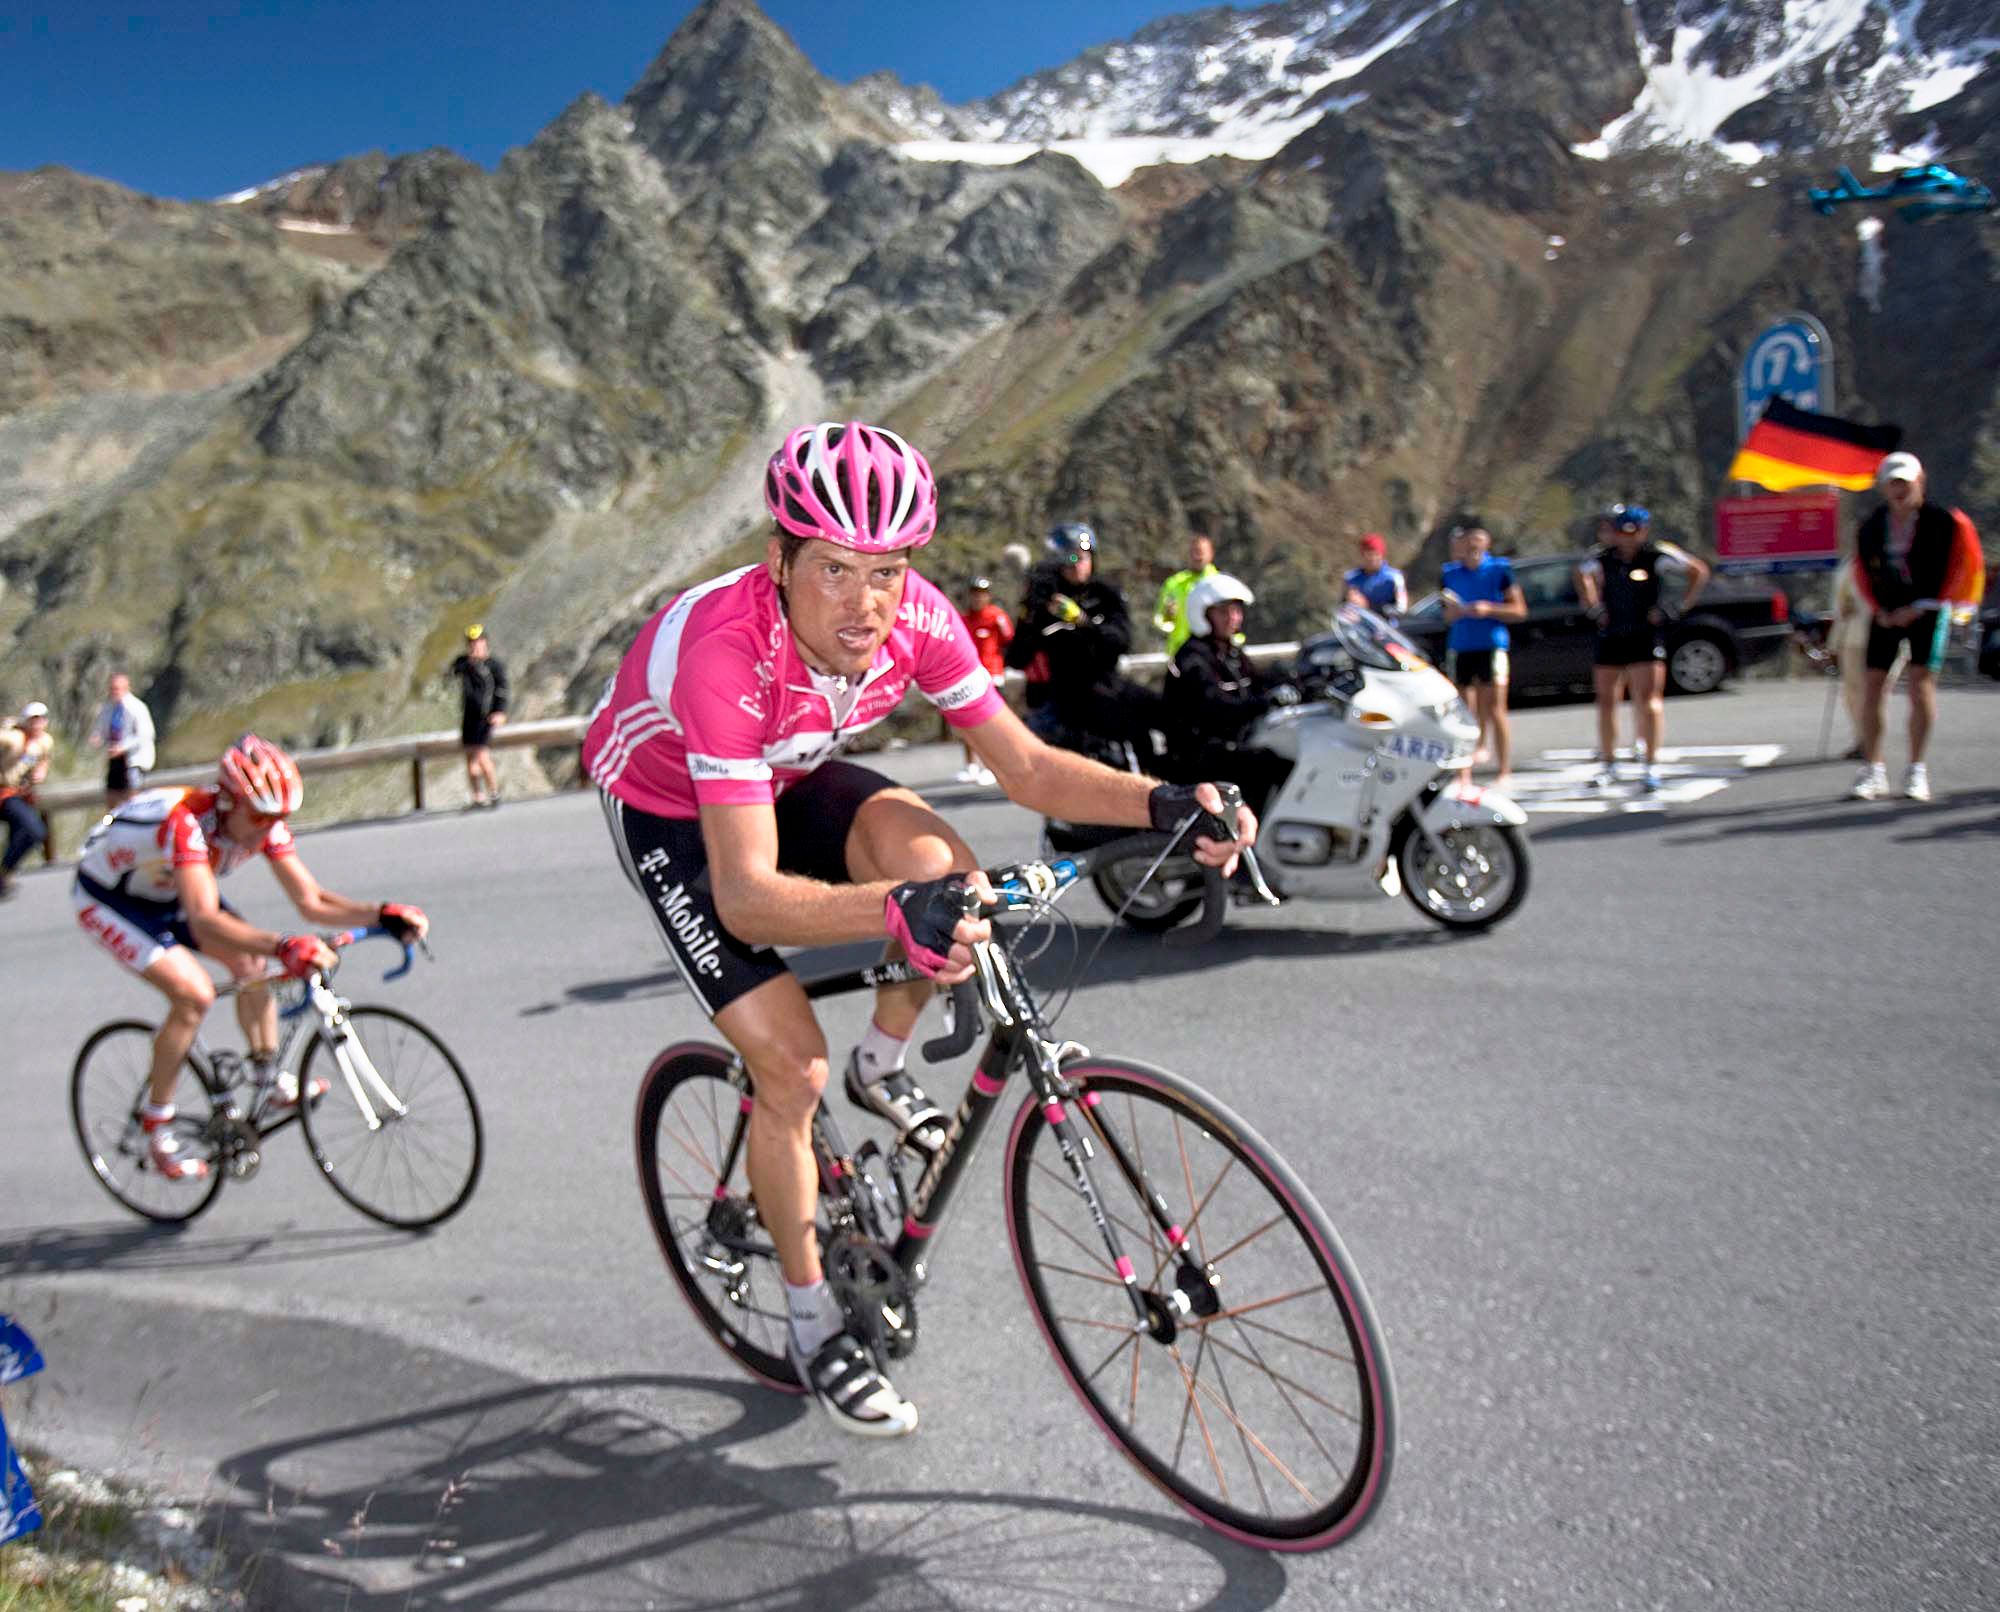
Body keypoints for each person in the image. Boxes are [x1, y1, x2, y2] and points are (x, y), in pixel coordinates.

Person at [583, 421, 1253, 1439]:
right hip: (674, 809)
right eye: (835, 572)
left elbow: (1024, 767)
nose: (865, 604)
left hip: (790, 767)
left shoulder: (918, 620)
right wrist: (892, 913)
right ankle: (814, 1324)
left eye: (887, 571)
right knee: (791, 1070)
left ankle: (882, 1062)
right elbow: (748, 898)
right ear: (779, 561)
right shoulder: (723, 654)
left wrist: (1164, 803)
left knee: (944, 871)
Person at [70, 734, 430, 1181]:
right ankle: (153, 1123)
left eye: (278, 817)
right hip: (109, 898)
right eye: (259, 816)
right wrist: (285, 945)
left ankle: (268, 1078)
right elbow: (203, 920)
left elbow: (311, 900)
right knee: (193, 995)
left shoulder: (263, 823)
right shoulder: (185, 824)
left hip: (168, 889)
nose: (268, 827)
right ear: (228, 803)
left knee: (253, 968)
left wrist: (384, 913)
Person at [1848, 453, 1974, 802]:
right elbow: (1862, 572)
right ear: (1883, 487)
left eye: (1905, 481)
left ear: (1920, 481)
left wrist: (1923, 607)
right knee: (1872, 685)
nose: (1899, 489)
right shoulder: (1872, 524)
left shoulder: (1944, 522)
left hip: (1928, 611)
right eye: (1892, 482)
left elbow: (1961, 567)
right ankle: (1872, 769)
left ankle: (1916, 770)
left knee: (1920, 683)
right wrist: (1881, 611)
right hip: (1886, 612)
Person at [1574, 504, 1709, 793]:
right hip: (1612, 633)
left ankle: (1650, 763)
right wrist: (1594, 608)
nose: (1627, 539)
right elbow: (1580, 574)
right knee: (1607, 700)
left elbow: (1698, 571)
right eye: (1622, 532)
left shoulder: (1656, 555)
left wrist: (1675, 608)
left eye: (1633, 532)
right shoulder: (1603, 557)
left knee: (1647, 700)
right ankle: (1609, 762)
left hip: (1644, 635)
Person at [1006, 523, 1159, 752]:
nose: (1076, 565)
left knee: (1155, 715)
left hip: (1104, 688)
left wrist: (1083, 621)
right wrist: (1030, 614)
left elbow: (1121, 641)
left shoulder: (1106, 594)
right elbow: (1017, 658)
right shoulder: (1046, 599)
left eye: (1082, 557)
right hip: (1059, 697)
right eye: (1069, 558)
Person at [1164, 574, 1300, 819]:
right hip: (1200, 753)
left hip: (1229, 743)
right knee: (1275, 765)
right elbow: (1217, 709)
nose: (1233, 618)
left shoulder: (1230, 652)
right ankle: (1252, 838)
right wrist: (1265, 702)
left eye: (1237, 611)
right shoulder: (1194, 658)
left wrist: (1292, 679)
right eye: (1224, 612)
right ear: (1203, 614)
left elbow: (1257, 681)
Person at [1439, 522, 1526, 787]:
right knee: (1464, 711)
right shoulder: (1450, 574)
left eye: (1477, 544)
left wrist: (1489, 609)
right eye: (1468, 544)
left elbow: (1519, 610)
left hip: (1491, 645)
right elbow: (1446, 614)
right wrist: (1454, 612)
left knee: (1495, 707)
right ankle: (1463, 773)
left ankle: (1504, 770)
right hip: (1462, 645)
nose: (1472, 549)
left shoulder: (1500, 570)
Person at [955, 577, 1012, 785]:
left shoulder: (997, 617)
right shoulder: (964, 619)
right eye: (974, 593)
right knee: (967, 723)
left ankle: (992, 767)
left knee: (991, 724)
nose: (978, 597)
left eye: (982, 593)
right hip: (970, 676)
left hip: (993, 675)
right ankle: (971, 765)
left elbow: (1010, 641)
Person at [447, 625, 511, 809]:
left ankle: (494, 793)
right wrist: (468, 663)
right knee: (470, 756)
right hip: (469, 716)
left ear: (485, 643)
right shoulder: (465, 663)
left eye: (478, 643)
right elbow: (451, 672)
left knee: (482, 755)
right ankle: (477, 797)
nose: (474, 646)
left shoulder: (494, 666)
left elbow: (503, 689)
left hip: (486, 717)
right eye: (471, 643)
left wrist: (500, 712)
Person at [0, 703, 54, 900]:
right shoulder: (14, 739)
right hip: (5, 793)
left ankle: (5, 873)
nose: (37, 724)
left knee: (30, 833)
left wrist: (42, 770)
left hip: (22, 795)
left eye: (41, 719)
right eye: (33, 719)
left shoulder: (45, 741)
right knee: (33, 829)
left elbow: (44, 758)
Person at [86, 672, 158, 808]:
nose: (114, 692)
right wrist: (98, 737)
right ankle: (113, 822)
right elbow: (102, 728)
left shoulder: (137, 707)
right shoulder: (108, 708)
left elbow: (146, 734)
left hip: (133, 759)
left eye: (117, 688)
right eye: (112, 688)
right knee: (112, 795)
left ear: (126, 688)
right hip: (115, 758)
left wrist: (123, 747)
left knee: (132, 795)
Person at [1153, 533, 1219, 655]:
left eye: (1201, 551)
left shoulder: (1220, 583)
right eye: (1194, 552)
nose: (1197, 556)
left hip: (1213, 653)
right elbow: (1160, 620)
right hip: (1180, 653)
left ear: (1211, 554)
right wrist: (1168, 616)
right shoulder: (1173, 584)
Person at [1343, 534, 1408, 619]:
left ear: (1382, 555)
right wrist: (1349, 603)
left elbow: (1401, 609)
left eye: (1376, 554)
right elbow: (1342, 608)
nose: (1373, 559)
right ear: (1362, 555)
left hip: (1386, 628)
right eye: (1369, 555)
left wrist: (1368, 607)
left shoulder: (1394, 578)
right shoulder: (1351, 578)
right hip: (1357, 629)